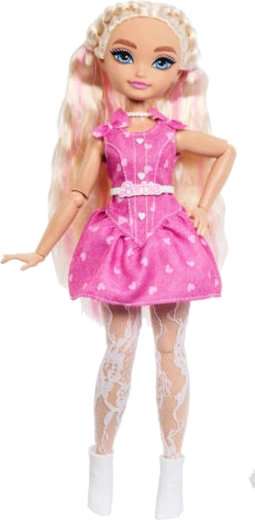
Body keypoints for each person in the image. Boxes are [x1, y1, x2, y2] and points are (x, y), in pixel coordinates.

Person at [1, 3, 235, 518]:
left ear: (179, 72)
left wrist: (201, 204)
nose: (141, 71)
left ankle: (171, 475)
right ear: (101, 61)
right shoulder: (104, 138)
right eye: (125, 56)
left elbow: (225, 151)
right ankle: (101, 470)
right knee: (119, 350)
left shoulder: (172, 133)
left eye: (161, 61)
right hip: (120, 245)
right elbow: (77, 195)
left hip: (170, 243)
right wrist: (40, 248)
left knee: (171, 352)